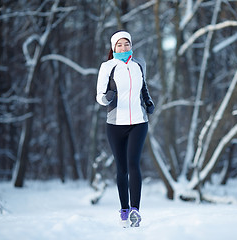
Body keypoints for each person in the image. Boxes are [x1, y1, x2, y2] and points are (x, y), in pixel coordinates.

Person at [96, 30, 154, 228]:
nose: (123, 48)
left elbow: (143, 87)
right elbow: (99, 96)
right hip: (115, 124)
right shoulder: (108, 66)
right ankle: (124, 209)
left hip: (139, 121)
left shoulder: (139, 64)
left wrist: (148, 102)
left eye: (126, 44)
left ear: (131, 45)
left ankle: (136, 210)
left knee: (133, 164)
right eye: (119, 45)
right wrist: (107, 97)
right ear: (113, 48)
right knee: (121, 168)